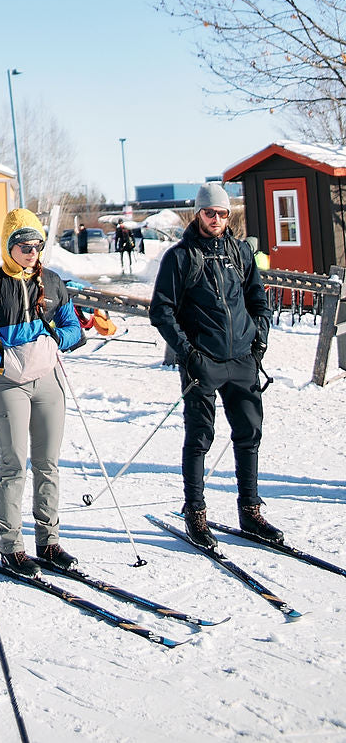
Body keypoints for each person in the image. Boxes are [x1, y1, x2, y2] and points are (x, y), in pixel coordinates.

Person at [149, 182, 281, 547]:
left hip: (242, 361)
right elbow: (161, 311)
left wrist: (259, 341)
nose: (217, 219)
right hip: (202, 364)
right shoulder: (180, 257)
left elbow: (258, 299)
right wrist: (190, 356)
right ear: (198, 213)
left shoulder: (240, 252)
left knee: (249, 435)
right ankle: (195, 513)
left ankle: (250, 510)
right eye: (210, 213)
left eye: (223, 214)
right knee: (200, 438)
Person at [0, 208, 83, 576]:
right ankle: (11, 547)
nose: (32, 252)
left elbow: (74, 329)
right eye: (24, 245)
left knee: (48, 464)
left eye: (38, 245)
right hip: (9, 383)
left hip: (48, 381)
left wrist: (52, 341)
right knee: (13, 464)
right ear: (8, 245)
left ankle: (48, 542)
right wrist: (0, 360)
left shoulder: (53, 281)